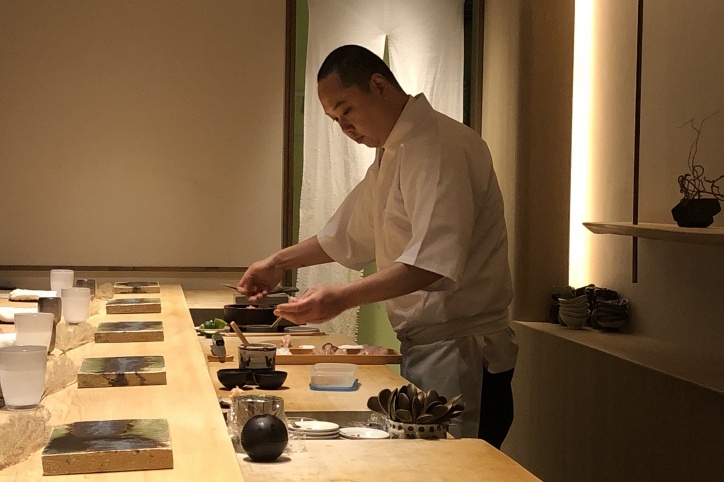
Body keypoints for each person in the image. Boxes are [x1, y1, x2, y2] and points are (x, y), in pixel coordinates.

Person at [237, 44, 517, 446]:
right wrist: (277, 262)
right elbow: (347, 234)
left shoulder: (439, 145)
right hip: (430, 346)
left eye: (346, 110)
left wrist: (342, 297)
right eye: (335, 119)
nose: (345, 128)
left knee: (453, 467)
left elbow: (431, 264)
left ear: (379, 86)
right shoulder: (394, 151)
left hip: (463, 351)